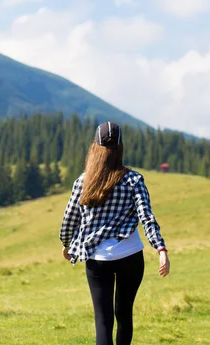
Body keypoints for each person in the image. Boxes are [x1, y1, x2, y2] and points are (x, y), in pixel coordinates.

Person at [59, 121, 170, 345]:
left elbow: (69, 219)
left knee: (103, 320)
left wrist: (66, 243)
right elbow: (146, 216)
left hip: (97, 260)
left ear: (95, 147)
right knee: (124, 314)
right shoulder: (134, 180)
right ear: (120, 148)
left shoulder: (83, 182)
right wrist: (160, 248)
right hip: (131, 256)